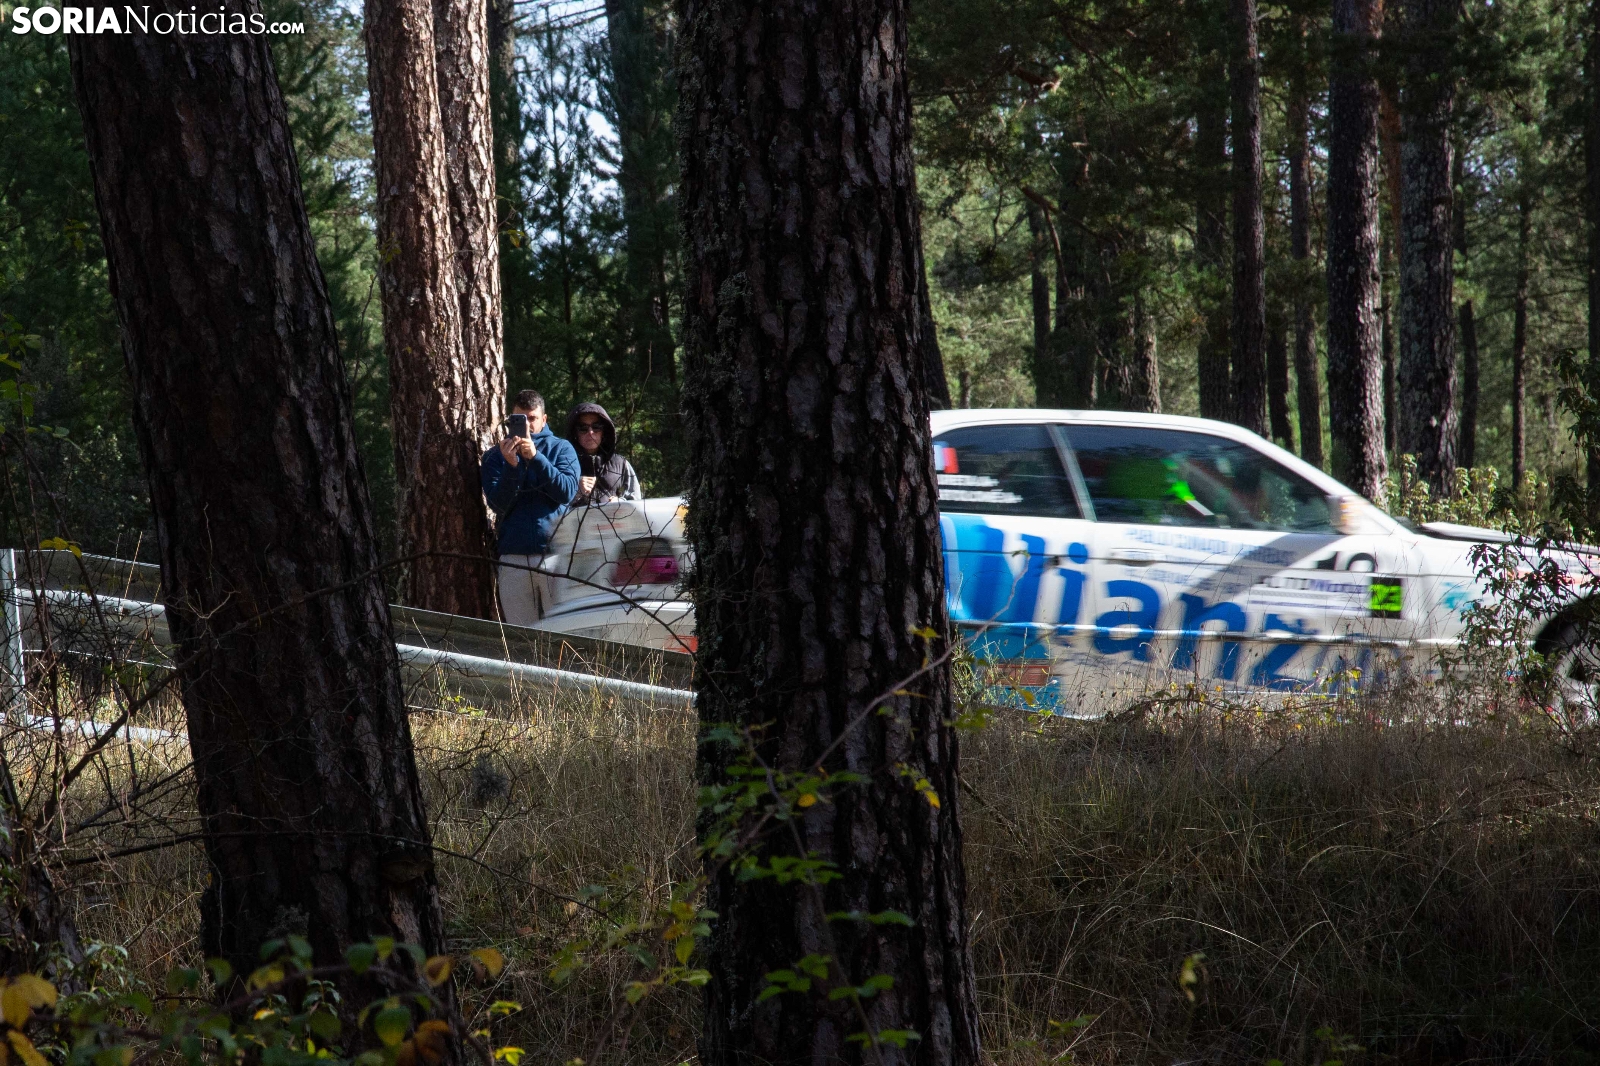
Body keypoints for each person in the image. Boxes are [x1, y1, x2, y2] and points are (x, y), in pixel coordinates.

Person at [481, 389, 579, 626]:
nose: (527, 425)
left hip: (555, 555)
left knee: (564, 631)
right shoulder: (495, 457)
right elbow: (498, 504)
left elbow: (566, 492)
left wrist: (537, 459)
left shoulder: (561, 448)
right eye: (520, 419)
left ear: (544, 419)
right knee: (521, 636)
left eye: (532, 418)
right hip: (513, 558)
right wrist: (511, 467)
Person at [565, 402, 641, 505]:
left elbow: (636, 499)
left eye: (596, 427)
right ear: (575, 433)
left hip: (614, 516)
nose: (590, 432)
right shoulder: (566, 464)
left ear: (604, 431)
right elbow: (554, 504)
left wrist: (620, 503)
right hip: (577, 516)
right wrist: (575, 490)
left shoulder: (620, 463)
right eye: (583, 428)